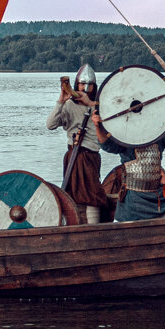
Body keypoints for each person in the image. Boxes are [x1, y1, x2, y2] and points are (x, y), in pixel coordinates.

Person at [94, 101, 165, 222]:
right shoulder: (125, 139)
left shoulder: (157, 136)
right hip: (134, 198)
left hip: (158, 195)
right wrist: (97, 126)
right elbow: (106, 144)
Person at [46, 64, 108, 224]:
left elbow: (110, 116)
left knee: (93, 195)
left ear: (95, 86)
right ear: (76, 85)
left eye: (89, 85)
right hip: (73, 155)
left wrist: (89, 103)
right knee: (72, 194)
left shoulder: (101, 105)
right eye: (82, 84)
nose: (85, 88)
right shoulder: (69, 105)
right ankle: (74, 228)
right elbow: (51, 125)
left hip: (91, 156)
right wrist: (61, 100)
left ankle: (93, 228)